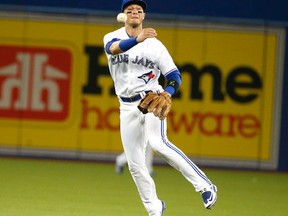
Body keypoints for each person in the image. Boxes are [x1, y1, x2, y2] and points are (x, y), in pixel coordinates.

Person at [103, 0, 217, 215]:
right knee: (135, 165)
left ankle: (205, 186)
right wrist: (138, 38)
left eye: (139, 10)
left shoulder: (155, 45)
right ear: (123, 15)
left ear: (143, 16)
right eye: (130, 10)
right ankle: (154, 208)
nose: (135, 13)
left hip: (151, 100)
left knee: (159, 143)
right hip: (126, 107)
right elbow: (113, 48)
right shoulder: (111, 37)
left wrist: (168, 93)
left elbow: (174, 75)